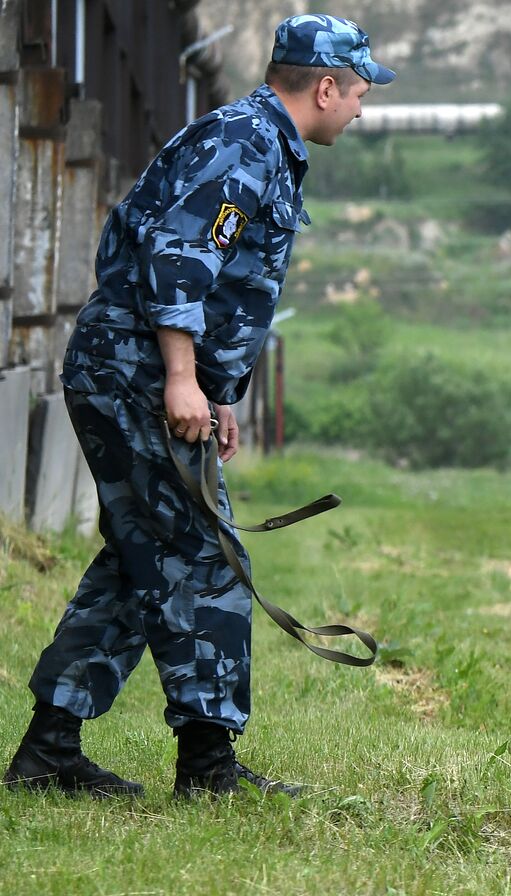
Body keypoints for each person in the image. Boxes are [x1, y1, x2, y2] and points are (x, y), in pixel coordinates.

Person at [3, 14, 395, 800]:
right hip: (137, 371)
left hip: (141, 369)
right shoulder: (245, 142)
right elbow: (178, 260)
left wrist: (215, 390)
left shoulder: (262, 143)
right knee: (205, 557)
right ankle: (209, 771)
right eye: (359, 92)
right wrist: (181, 378)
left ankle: (48, 754)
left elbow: (219, 278)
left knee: (140, 560)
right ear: (325, 87)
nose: (361, 107)